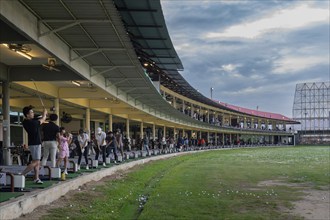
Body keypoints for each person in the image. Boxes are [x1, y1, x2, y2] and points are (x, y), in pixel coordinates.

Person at [21, 105, 47, 184]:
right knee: (36, 162)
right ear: (27, 115)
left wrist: (43, 114)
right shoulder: (32, 123)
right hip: (35, 143)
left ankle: (36, 178)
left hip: (33, 143)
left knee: (36, 161)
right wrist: (45, 114)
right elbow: (42, 120)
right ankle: (22, 174)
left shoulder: (26, 121)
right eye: (31, 112)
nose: (33, 113)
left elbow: (39, 118)